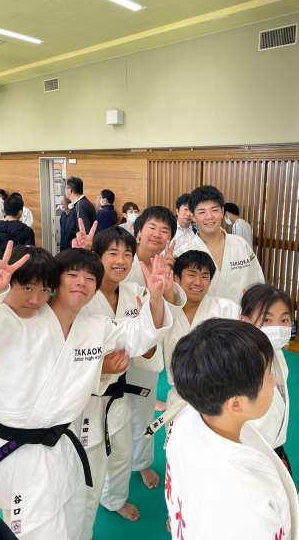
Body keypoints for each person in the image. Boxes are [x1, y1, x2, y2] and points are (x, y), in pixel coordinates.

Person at [0, 242, 173, 539]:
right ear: (56, 280)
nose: (81, 282)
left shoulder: (96, 327)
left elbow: (139, 335)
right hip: (17, 448)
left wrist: (155, 297)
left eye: (90, 278)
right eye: (72, 275)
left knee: (73, 515)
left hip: (62, 443)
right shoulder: (16, 320)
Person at [166, 318, 299, 539]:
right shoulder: (247, 503)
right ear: (236, 404)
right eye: (268, 374)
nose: (275, 380)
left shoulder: (186, 421)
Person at [125, 206, 177, 488]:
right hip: (117, 347)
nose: (157, 234)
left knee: (144, 411)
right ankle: (113, 466)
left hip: (147, 352)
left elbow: (174, 307)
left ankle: (142, 462)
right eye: (152, 228)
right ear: (138, 232)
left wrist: (166, 280)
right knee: (111, 414)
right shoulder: (123, 261)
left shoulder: (168, 265)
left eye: (164, 230)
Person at [163, 250, 240, 408]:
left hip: (219, 397)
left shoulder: (227, 309)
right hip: (179, 399)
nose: (198, 282)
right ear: (176, 278)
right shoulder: (164, 311)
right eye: (192, 274)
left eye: (205, 276)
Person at [176, 186, 264, 304]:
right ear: (193, 216)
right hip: (203, 315)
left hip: (241, 314)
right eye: (202, 212)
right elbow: (178, 296)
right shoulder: (183, 252)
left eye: (214, 210)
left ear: (222, 212)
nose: (209, 216)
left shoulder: (240, 245)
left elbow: (257, 283)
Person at [240, 284, 293, 472]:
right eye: (267, 320)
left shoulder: (276, 354)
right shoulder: (237, 363)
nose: (277, 328)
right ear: (245, 321)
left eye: (284, 320)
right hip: (247, 456)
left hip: (274, 450)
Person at [0, 195, 35, 259]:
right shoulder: (27, 231)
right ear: (20, 212)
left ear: (5, 210)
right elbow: (30, 255)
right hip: (18, 265)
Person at [63, 176, 96, 249]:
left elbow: (84, 231)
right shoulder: (79, 204)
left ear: (70, 190)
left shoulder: (80, 205)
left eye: (65, 188)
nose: (64, 191)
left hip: (77, 250)